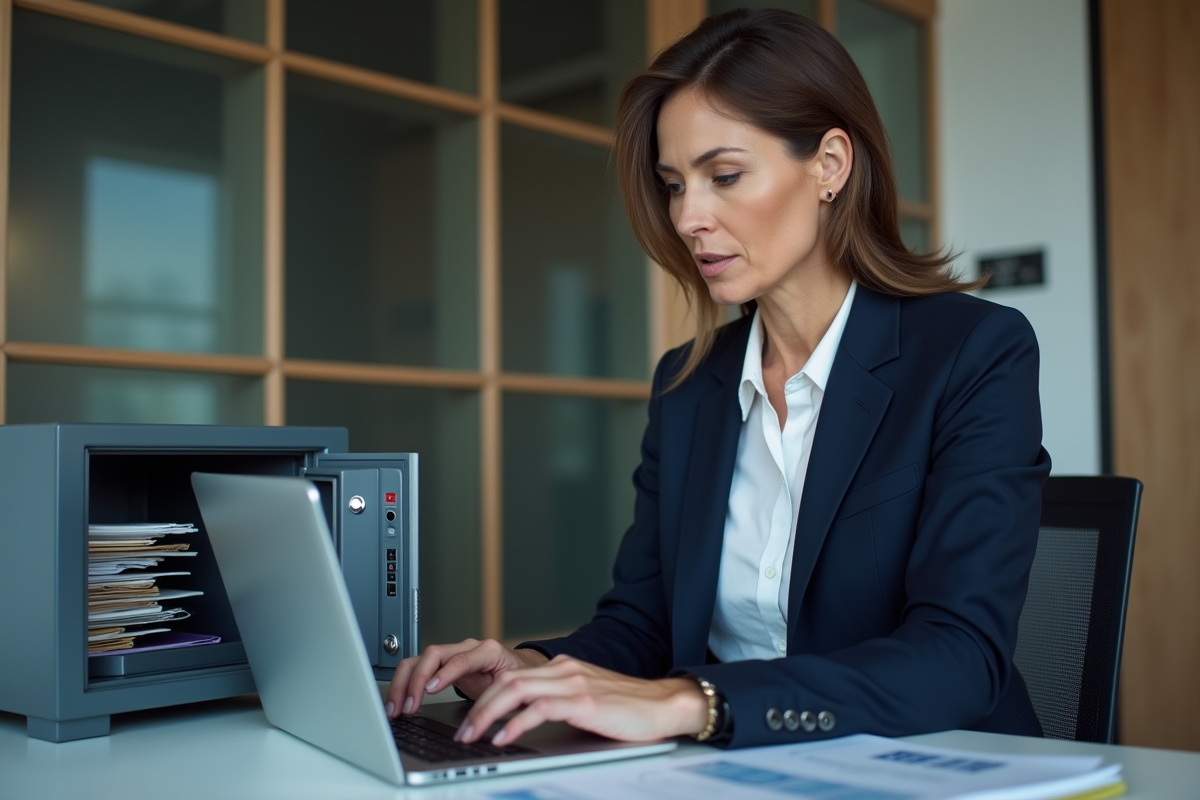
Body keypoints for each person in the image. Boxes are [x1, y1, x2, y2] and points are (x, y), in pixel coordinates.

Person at [386, 8, 1050, 749]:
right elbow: (645, 621)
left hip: (930, 763)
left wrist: (694, 701)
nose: (688, 217)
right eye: (673, 185)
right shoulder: (689, 385)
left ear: (830, 165)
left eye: (724, 176)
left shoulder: (973, 352)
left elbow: (960, 658)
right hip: (731, 770)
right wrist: (530, 664)